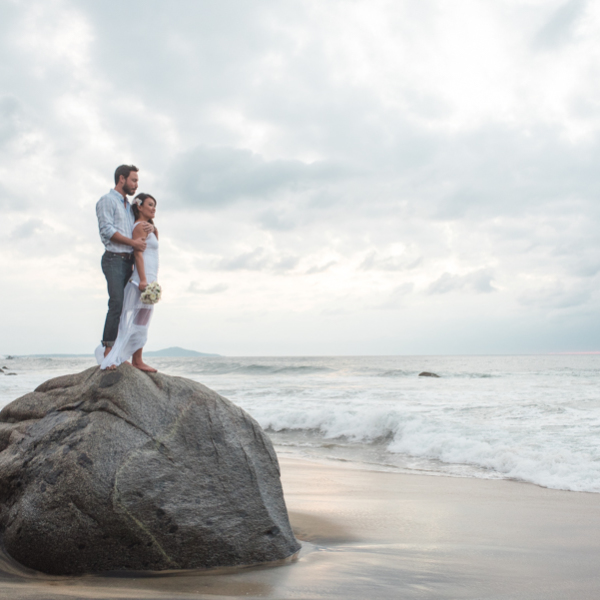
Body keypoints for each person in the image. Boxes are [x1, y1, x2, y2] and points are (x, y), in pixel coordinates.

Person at [96, 193, 159, 372]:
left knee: (143, 319)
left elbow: (155, 253)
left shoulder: (150, 228)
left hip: (151, 276)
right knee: (131, 316)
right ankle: (125, 355)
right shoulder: (139, 227)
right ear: (139, 207)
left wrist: (155, 230)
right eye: (150, 205)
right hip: (142, 277)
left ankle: (137, 358)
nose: (154, 208)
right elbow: (139, 254)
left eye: (155, 206)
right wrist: (144, 280)